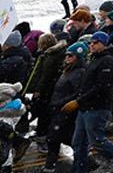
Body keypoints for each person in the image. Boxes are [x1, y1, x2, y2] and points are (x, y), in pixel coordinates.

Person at [66, 32, 113, 173]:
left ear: (104, 44)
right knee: (78, 142)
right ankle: (79, 168)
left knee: (97, 141)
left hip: (97, 107)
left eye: (96, 42)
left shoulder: (107, 61)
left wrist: (78, 101)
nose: (92, 45)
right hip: (85, 107)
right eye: (91, 42)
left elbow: (101, 86)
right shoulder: (94, 58)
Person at [44, 41, 87, 171]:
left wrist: (61, 103)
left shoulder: (78, 72)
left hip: (65, 111)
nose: (67, 58)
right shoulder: (69, 70)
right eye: (67, 55)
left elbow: (77, 93)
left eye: (71, 55)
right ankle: (87, 161)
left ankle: (50, 166)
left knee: (54, 138)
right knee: (63, 138)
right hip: (59, 109)